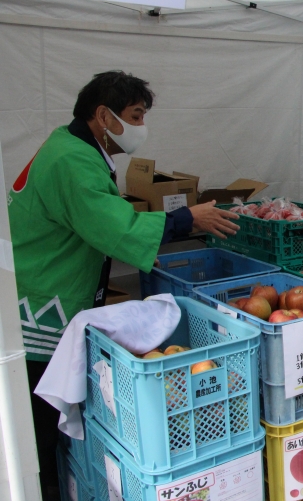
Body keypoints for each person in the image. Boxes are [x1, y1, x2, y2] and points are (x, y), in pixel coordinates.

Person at [8, 70, 239, 500]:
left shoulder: (70, 146)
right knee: (41, 420)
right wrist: (189, 218)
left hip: (43, 282)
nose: (141, 126)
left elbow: (97, 219)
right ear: (104, 116)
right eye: (135, 116)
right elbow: (115, 224)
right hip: (43, 301)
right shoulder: (72, 161)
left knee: (46, 417)